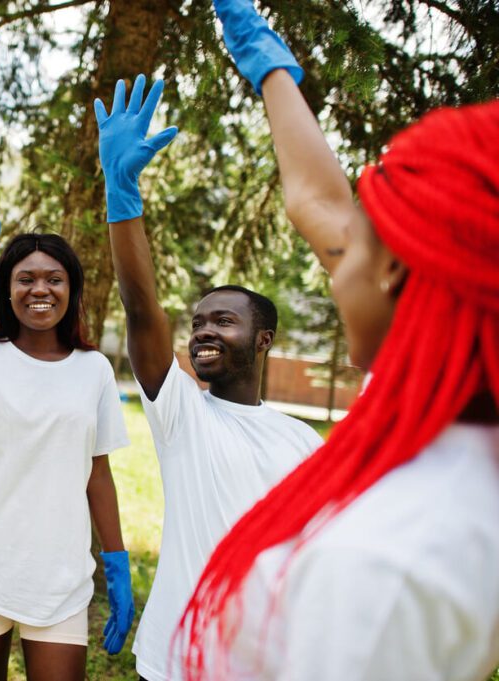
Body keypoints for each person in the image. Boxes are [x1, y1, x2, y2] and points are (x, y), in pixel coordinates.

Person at [175, 2, 499, 679]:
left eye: (359, 235)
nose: (334, 248)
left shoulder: (390, 561)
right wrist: (269, 69)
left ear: (393, 269)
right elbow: (314, 199)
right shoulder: (455, 401)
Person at [91, 74, 324, 681]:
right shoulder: (182, 414)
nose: (203, 332)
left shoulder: (302, 440)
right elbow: (144, 311)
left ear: (264, 340)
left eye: (224, 320)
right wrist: (123, 193)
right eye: (197, 322)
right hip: (178, 661)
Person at [0, 189, 134, 680]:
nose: (41, 290)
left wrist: (116, 562)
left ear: (71, 289)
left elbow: (98, 472)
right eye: (26, 279)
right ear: (7, 291)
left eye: (54, 279)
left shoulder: (94, 369)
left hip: (60, 573)